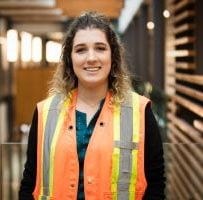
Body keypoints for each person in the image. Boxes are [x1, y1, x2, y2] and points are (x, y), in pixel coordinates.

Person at [19, 11, 165, 200]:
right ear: (69, 59)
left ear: (113, 56)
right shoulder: (45, 113)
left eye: (100, 48)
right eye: (80, 50)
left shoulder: (140, 111)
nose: (91, 58)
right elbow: (29, 183)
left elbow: (155, 185)